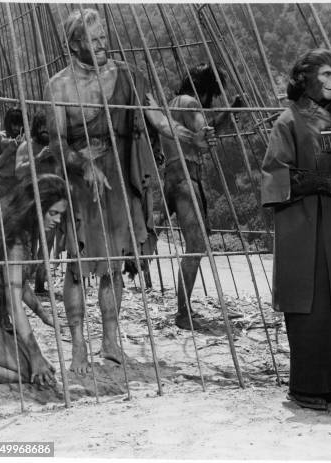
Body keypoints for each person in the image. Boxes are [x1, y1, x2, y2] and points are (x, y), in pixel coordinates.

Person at [46, 8, 213, 374]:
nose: (102, 43)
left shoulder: (127, 75)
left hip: (120, 178)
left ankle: (109, 339)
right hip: (81, 182)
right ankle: (77, 346)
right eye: (92, 39)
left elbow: (156, 116)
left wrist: (190, 137)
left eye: (103, 35)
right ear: (75, 45)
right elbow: (57, 143)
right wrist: (82, 164)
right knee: (77, 266)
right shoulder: (59, 85)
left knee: (114, 266)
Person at [261, 48, 331, 410]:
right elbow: (275, 177)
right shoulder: (287, 122)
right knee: (307, 303)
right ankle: (305, 387)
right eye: (326, 74)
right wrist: (322, 183)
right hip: (300, 229)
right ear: (305, 79)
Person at [160, 64, 240, 330]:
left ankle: (184, 309)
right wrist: (227, 115)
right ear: (205, 90)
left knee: (193, 243)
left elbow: (201, 133)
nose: (209, 103)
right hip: (184, 176)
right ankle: (183, 312)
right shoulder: (191, 103)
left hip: (173, 174)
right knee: (195, 245)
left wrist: (230, 114)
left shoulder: (174, 103)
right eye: (212, 97)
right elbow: (204, 134)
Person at [0, 174, 67, 385]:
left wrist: (42, 314)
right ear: (35, 207)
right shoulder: (15, 241)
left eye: (61, 214)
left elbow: (17, 283)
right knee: (28, 373)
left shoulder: (20, 231)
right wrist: (35, 354)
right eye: (53, 213)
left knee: (42, 370)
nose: (58, 220)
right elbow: (14, 304)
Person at [16, 110, 62, 295]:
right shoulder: (26, 146)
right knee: (28, 245)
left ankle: (40, 284)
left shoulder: (57, 146)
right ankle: (23, 286)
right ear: (36, 127)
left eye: (48, 127)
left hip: (52, 203)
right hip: (29, 203)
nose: (45, 131)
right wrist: (38, 158)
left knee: (47, 244)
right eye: (41, 127)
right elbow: (18, 172)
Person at [0, 107, 24, 197]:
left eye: (19, 125)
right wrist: (8, 151)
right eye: (14, 124)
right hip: (5, 184)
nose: (17, 128)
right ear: (8, 123)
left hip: (23, 183)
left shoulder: (26, 138)